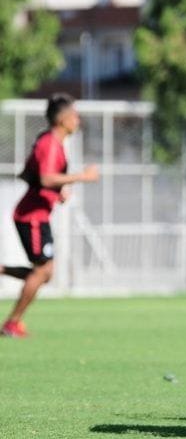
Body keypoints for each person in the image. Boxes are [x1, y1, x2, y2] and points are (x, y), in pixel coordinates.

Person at [0, 94, 99, 337]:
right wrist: (81, 177)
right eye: (74, 115)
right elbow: (45, 178)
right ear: (63, 118)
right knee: (43, 272)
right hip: (31, 215)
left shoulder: (53, 143)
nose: (77, 120)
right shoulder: (50, 143)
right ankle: (12, 323)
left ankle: (3, 275)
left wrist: (60, 191)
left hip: (37, 214)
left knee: (44, 274)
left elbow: (41, 178)